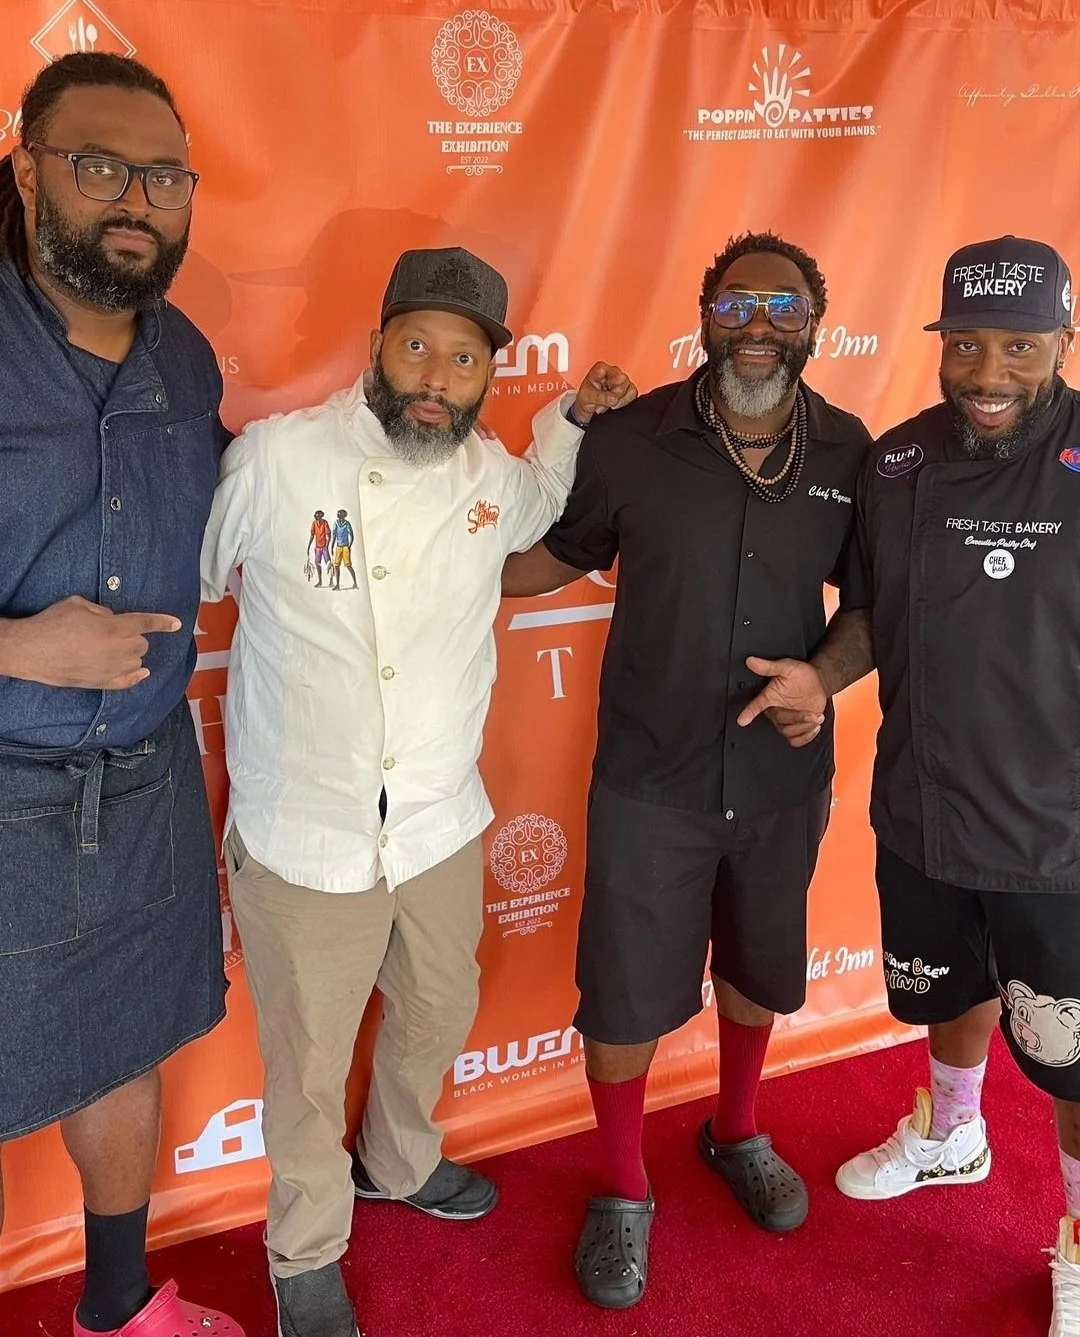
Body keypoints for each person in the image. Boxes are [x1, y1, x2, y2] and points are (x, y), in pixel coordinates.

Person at [200, 245, 636, 1337]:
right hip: (307, 834)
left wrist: (574, 419)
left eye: (465, 359)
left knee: (438, 1008)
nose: (438, 378)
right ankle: (305, 1252)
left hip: (439, 820)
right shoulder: (277, 461)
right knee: (308, 1068)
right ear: (378, 347)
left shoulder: (488, 473)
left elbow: (543, 499)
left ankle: (398, 1162)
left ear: (489, 373)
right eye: (418, 348)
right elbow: (189, 569)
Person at [501, 231, 872, 1308]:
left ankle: (736, 1129)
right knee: (623, 995)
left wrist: (822, 678)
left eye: (784, 306)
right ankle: (622, 1187)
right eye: (738, 301)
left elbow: (873, 606)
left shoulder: (849, 450)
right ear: (705, 312)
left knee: (757, 966)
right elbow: (549, 558)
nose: (759, 322)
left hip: (780, 779)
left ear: (814, 324)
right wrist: (422, 561)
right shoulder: (632, 439)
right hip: (649, 779)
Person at [738, 235, 1080, 1335]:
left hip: (1059, 837)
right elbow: (873, 614)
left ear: (1065, 340)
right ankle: (954, 1131)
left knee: (1074, 1064)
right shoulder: (898, 464)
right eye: (967, 345)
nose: (988, 373)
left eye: (1019, 347)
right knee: (947, 993)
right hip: (924, 810)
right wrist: (820, 675)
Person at [0, 53, 242, 1337]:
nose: (136, 199)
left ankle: (117, 1304)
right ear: (27, 171)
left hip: (144, 774)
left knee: (126, 1042)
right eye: (100, 166)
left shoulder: (185, 359)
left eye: (163, 176)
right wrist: (15, 649)